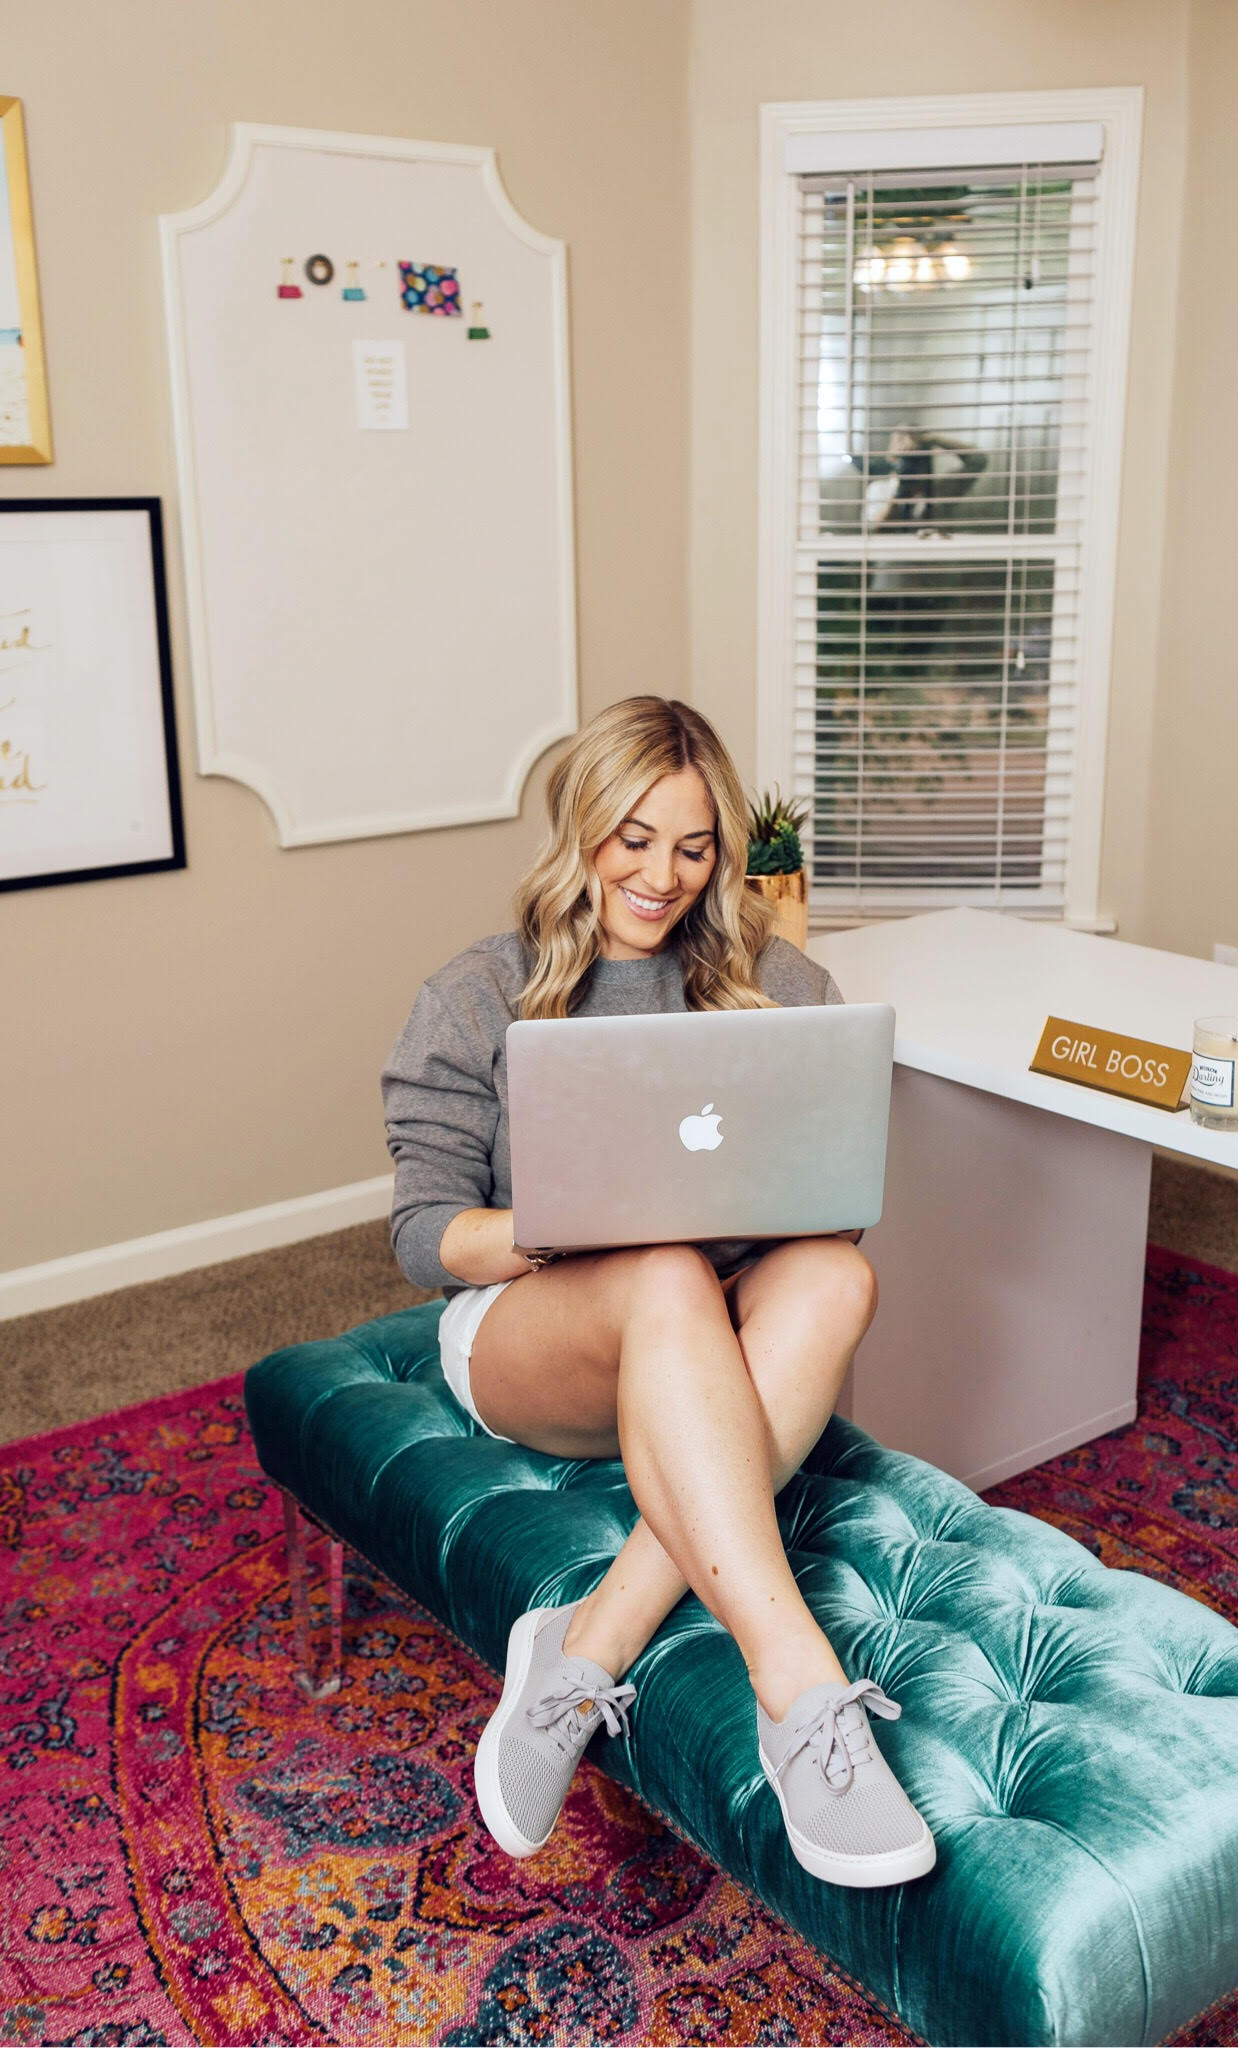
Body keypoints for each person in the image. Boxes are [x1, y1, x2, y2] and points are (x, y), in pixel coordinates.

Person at [381, 696, 935, 1890]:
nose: (662, 875)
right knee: (664, 1267)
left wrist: (767, 1200)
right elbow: (424, 1231)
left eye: (692, 847)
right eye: (633, 837)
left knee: (838, 1273)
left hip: (707, 1328)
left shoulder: (776, 977)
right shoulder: (481, 990)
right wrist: (574, 1227)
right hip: (538, 1337)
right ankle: (798, 1684)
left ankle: (591, 1639)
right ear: (580, 824)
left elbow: (830, 1201)